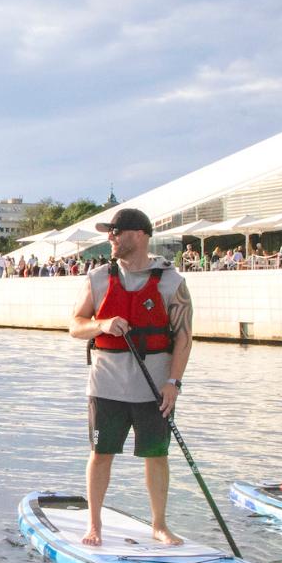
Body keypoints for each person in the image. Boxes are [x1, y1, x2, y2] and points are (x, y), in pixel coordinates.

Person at [68, 207, 193, 545]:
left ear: (139, 235)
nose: (111, 237)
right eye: (109, 232)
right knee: (100, 453)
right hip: (106, 384)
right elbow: (75, 326)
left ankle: (159, 525)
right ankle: (94, 525)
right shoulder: (96, 278)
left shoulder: (172, 282)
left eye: (116, 232)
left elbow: (184, 336)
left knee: (157, 455)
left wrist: (174, 383)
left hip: (153, 388)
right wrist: (102, 324)